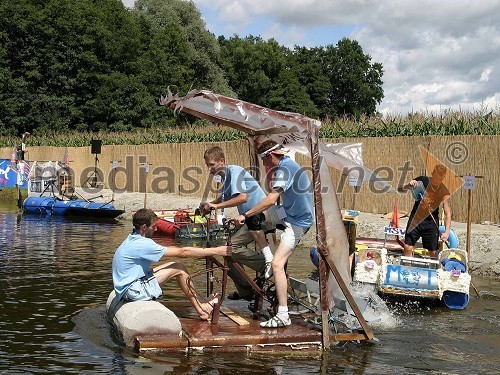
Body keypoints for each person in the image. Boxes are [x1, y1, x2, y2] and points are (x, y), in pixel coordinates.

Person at [235, 140, 314, 328]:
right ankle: (268, 256)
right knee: (255, 219)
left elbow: (271, 199)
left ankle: (283, 314)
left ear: (270, 156)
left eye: (264, 160)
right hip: (286, 213)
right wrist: (250, 215)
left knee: (279, 265)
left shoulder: (286, 169)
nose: (263, 164)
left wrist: (245, 213)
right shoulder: (283, 167)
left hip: (298, 222)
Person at [112, 208, 232, 321]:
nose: (156, 229)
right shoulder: (143, 244)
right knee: (179, 269)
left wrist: (202, 252)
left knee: (175, 264)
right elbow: (182, 252)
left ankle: (200, 303)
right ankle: (202, 310)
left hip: (127, 288)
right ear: (144, 227)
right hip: (133, 291)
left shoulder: (132, 238)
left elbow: (178, 252)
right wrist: (218, 251)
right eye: (154, 226)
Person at [201, 146, 274, 285]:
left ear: (221, 161)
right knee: (227, 252)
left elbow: (242, 198)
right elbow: (225, 197)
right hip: (248, 219)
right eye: (207, 165)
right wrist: (209, 204)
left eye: (211, 165)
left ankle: (271, 265)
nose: (209, 169)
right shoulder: (225, 176)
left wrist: (216, 206)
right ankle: (246, 289)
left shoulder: (235, 171)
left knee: (231, 248)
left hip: (259, 217)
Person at [398, 164, 451, 258]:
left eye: (440, 179)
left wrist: (446, 232)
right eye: (436, 178)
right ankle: (407, 269)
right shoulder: (422, 181)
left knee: (433, 252)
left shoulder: (444, 191)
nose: (437, 181)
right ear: (432, 174)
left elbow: (448, 213)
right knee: (407, 246)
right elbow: (400, 188)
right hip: (416, 219)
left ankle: (433, 270)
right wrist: (409, 184)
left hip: (431, 222)